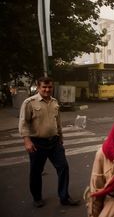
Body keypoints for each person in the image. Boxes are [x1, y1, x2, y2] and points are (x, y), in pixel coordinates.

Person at [18, 76, 80, 208]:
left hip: (54, 142)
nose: (47, 89)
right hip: (37, 143)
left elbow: (57, 121)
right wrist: (27, 140)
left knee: (63, 167)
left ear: (52, 87)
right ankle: (37, 197)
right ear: (38, 87)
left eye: (49, 87)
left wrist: (61, 136)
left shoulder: (54, 102)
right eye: (44, 87)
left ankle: (64, 197)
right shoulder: (29, 102)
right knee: (36, 171)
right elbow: (23, 123)